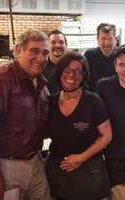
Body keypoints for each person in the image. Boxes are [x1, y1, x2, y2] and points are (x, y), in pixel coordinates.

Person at [0, 30, 52, 200]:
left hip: (35, 162)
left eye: (45, 53)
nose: (41, 58)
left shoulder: (41, 82)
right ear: (18, 50)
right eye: (34, 51)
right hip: (6, 166)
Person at [46, 51, 112, 200]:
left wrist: (81, 158)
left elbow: (107, 135)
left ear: (83, 75)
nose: (72, 75)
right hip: (58, 170)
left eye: (78, 71)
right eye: (67, 70)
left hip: (89, 170)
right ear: (60, 72)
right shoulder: (51, 101)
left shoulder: (93, 100)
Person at [96, 44, 125, 200]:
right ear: (115, 66)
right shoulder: (104, 86)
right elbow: (98, 121)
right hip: (115, 159)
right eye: (122, 65)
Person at [84, 23, 117, 90]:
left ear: (115, 40)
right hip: (95, 97)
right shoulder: (89, 55)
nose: (107, 43)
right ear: (98, 40)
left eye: (110, 38)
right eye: (103, 38)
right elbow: (84, 81)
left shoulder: (121, 56)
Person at [43, 29, 68, 94]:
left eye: (61, 42)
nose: (57, 45)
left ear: (66, 45)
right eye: (53, 42)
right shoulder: (40, 68)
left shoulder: (75, 67)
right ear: (47, 46)